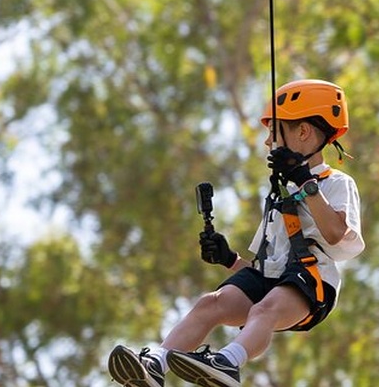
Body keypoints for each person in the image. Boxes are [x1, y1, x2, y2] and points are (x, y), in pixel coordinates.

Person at [107, 79, 365, 387]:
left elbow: (336, 233)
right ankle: (155, 365)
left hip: (313, 283)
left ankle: (227, 363)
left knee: (264, 309)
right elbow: (267, 269)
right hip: (276, 280)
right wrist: (229, 258)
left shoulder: (336, 183)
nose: (268, 142)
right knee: (211, 303)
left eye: (274, 132)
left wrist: (304, 180)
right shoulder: (280, 192)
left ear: (303, 131)